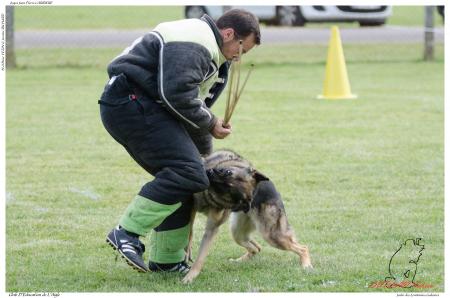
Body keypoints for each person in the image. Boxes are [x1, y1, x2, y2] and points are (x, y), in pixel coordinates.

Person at [99, 9, 261, 273]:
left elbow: (192, 111)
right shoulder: (197, 40)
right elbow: (176, 94)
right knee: (186, 172)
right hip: (129, 102)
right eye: (241, 50)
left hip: (146, 106)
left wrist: (205, 160)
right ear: (229, 34)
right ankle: (126, 233)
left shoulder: (215, 57)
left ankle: (167, 260)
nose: (239, 57)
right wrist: (210, 122)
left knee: (191, 179)